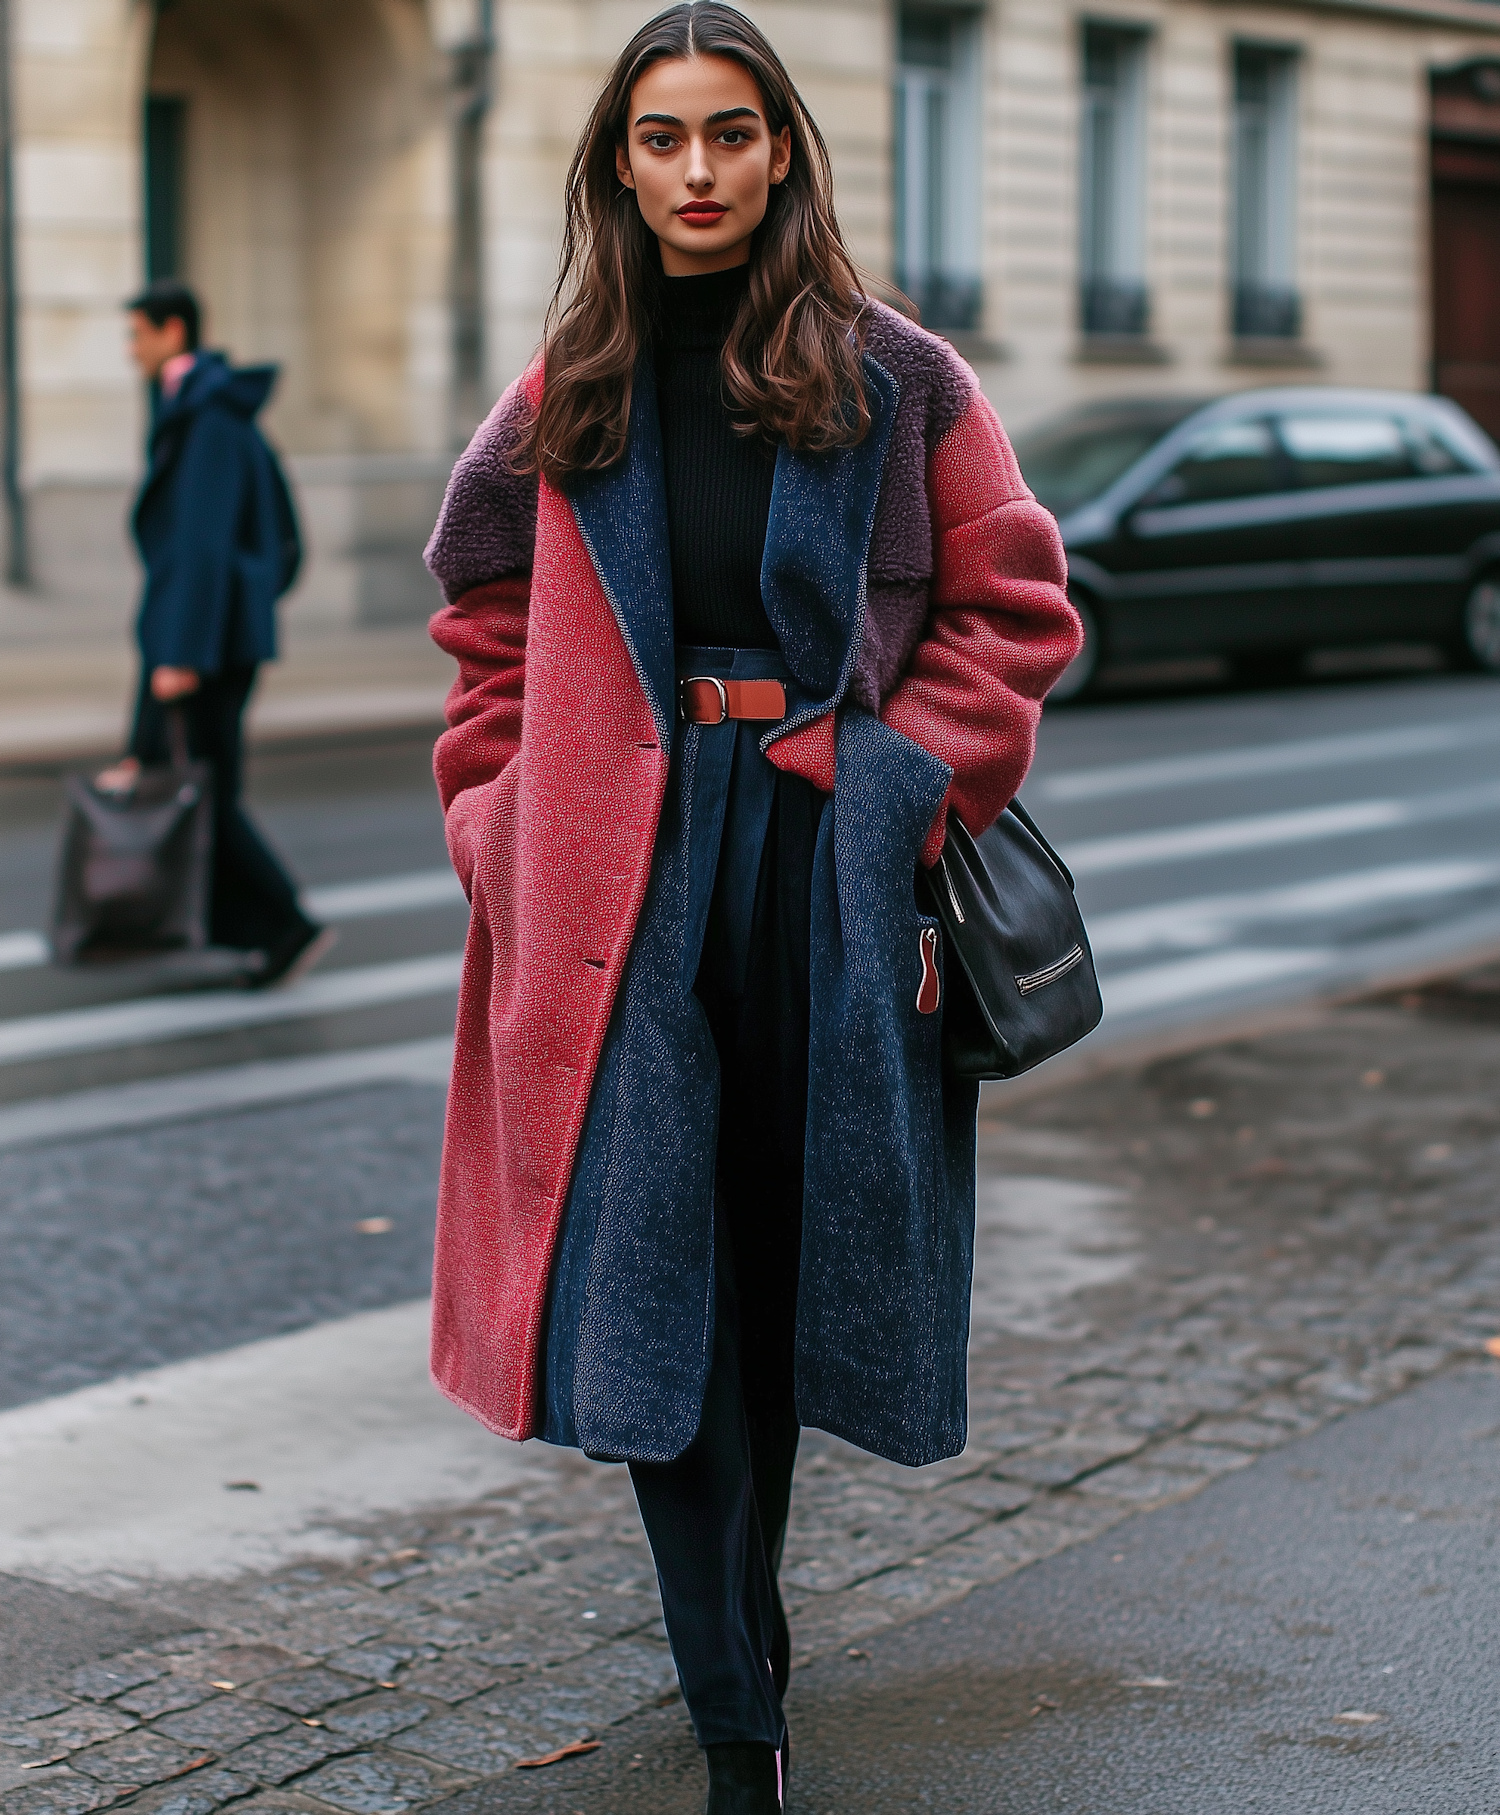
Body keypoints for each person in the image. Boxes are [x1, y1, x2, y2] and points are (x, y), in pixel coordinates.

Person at [423, 6, 1080, 1810]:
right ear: (617, 164)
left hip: (814, 868)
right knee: (655, 1290)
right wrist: (495, 818)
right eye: (659, 138)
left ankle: (750, 1657)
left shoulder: (895, 376)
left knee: (771, 1280)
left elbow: (1015, 609)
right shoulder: (568, 386)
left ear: (783, 149)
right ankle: (738, 1723)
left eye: (728, 134)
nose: (696, 171)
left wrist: (887, 792)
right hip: (609, 880)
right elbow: (483, 634)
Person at [98, 279, 331, 987]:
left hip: (202, 640)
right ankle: (254, 929)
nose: (130, 348)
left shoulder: (204, 417)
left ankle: (283, 925)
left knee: (202, 792)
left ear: (173, 333)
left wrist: (181, 654)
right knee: (205, 787)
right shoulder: (206, 409)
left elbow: (199, 544)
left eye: (138, 334)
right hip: (211, 632)